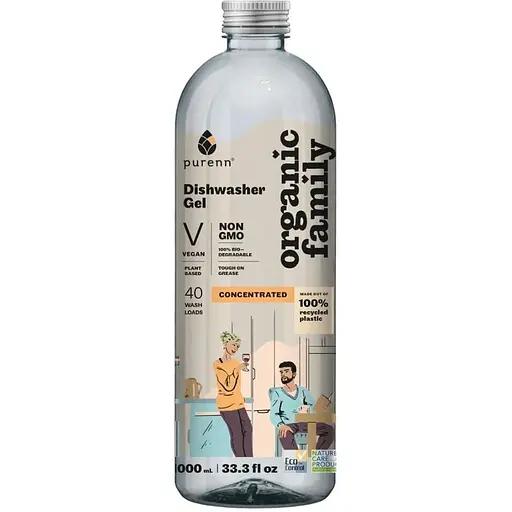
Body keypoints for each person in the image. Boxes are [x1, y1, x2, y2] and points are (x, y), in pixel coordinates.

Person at [269, 361, 334, 450]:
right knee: (284, 434)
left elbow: (314, 407)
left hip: (305, 422)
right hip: (289, 424)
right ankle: (296, 458)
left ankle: (315, 456)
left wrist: (311, 408)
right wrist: (281, 425)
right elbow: (273, 414)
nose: (283, 374)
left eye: (286, 371)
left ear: (294, 374)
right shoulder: (277, 393)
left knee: (329, 430)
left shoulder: (303, 390)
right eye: (281, 372)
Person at [213, 331, 253, 457]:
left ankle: (249, 461)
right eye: (233, 345)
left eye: (237, 346)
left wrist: (238, 368)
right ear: (225, 344)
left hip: (238, 402)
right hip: (226, 404)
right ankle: (241, 461)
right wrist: (237, 369)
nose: (236, 348)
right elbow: (228, 386)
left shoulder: (236, 362)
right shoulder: (218, 364)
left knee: (248, 429)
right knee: (237, 434)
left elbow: (236, 385)